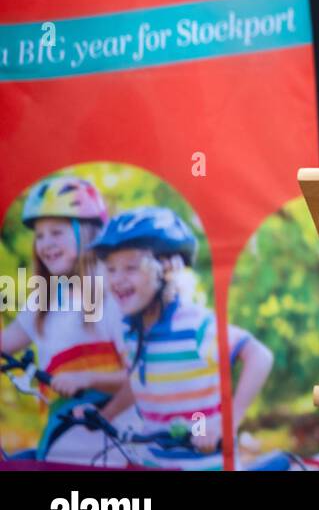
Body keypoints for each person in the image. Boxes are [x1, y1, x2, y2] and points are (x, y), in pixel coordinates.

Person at [88, 207, 273, 470]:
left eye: (130, 267)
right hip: (155, 463)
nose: (117, 279)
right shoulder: (132, 333)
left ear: (166, 270)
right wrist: (105, 415)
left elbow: (259, 356)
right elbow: (141, 382)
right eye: (111, 269)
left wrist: (226, 423)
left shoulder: (195, 325)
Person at [0, 175, 126, 464]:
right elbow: (7, 342)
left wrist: (86, 378)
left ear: (90, 233)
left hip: (112, 448)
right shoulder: (46, 299)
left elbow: (140, 379)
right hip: (62, 445)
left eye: (56, 232)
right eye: (40, 235)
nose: (45, 244)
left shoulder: (113, 293)